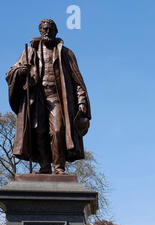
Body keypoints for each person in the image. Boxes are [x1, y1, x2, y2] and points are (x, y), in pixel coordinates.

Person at [5, 18, 91, 174]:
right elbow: (10, 73)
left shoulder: (66, 53)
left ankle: (59, 168)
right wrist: (21, 72)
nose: (47, 32)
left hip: (57, 97)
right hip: (37, 97)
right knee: (39, 131)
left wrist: (81, 104)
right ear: (40, 31)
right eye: (44, 29)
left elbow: (77, 81)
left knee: (58, 130)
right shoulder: (30, 51)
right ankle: (45, 166)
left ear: (56, 31)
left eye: (50, 29)